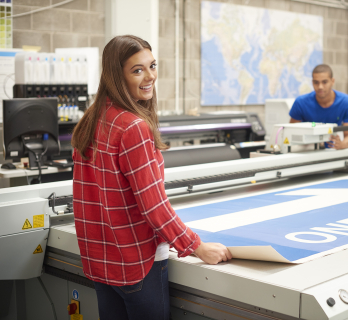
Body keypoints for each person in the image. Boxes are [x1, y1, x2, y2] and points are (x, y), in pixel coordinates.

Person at [71, 35, 232, 320]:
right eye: (137, 70)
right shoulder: (133, 127)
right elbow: (153, 206)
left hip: (100, 261)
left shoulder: (92, 118)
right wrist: (196, 246)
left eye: (152, 66)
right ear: (116, 75)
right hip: (137, 264)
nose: (150, 77)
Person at [289, 64, 348, 149]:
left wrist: (342, 145)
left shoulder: (346, 102)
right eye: (316, 82)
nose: (320, 87)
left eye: (324, 82)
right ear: (312, 82)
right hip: (306, 151)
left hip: (331, 151)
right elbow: (291, 133)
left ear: (332, 81)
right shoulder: (300, 102)